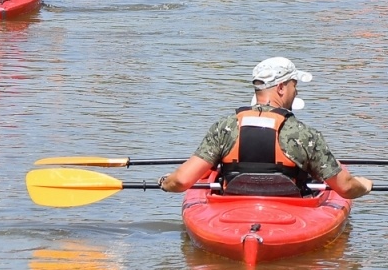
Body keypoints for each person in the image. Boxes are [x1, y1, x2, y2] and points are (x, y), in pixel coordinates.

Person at [158, 58, 373, 201]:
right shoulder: (303, 134)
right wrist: (364, 185)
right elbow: (345, 188)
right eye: (293, 85)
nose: (296, 91)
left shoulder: (225, 127)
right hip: (289, 210)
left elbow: (180, 181)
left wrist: (165, 182)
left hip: (233, 208)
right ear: (281, 87)